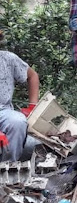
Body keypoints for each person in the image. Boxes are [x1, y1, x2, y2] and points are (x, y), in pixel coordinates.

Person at [0, 30, 40, 162]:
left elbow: (32, 75)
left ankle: (7, 169)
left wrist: (32, 106)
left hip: (3, 111)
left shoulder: (7, 59)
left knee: (18, 122)